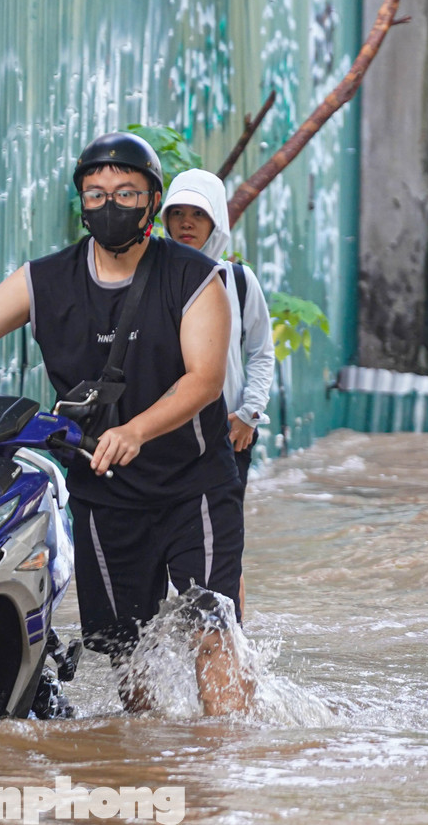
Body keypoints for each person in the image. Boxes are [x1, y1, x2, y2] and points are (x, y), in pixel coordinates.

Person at [0, 131, 251, 714]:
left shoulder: (193, 278)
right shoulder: (47, 279)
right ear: (81, 202)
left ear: (152, 203)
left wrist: (135, 430)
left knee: (210, 628)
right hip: (103, 490)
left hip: (194, 486)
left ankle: (221, 775)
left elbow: (204, 378)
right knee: (127, 659)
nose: (110, 205)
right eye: (96, 193)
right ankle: (147, 771)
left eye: (127, 193)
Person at [162, 168, 275, 616]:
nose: (186, 224)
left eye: (198, 214)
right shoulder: (150, 277)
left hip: (225, 436)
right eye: (177, 214)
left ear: (216, 224)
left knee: (223, 553)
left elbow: (261, 353)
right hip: (160, 436)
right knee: (161, 550)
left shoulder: (237, 281)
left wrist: (249, 413)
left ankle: (231, 647)